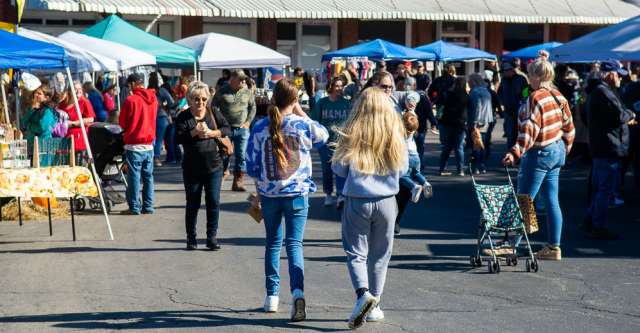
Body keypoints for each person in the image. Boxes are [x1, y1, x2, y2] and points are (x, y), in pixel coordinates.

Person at [246, 79, 329, 321]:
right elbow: (324, 136)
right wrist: (302, 112)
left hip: (270, 195)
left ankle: (271, 296)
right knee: (294, 245)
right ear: (294, 100)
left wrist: (259, 191)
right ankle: (298, 292)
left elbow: (251, 164)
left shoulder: (260, 127)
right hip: (297, 194)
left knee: (273, 243)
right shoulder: (303, 125)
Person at [331, 87, 408, 329]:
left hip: (358, 198)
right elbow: (404, 169)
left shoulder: (353, 131)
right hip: (387, 201)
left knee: (356, 252)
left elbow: (339, 169)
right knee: (380, 255)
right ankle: (374, 305)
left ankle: (363, 294)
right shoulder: (395, 132)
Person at [502, 58, 575, 261]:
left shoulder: (534, 98)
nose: (528, 79)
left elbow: (528, 130)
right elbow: (569, 127)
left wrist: (515, 152)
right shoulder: (559, 96)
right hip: (557, 150)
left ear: (536, 76)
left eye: (530, 75)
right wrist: (564, 149)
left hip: (540, 153)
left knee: (525, 200)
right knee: (552, 200)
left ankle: (510, 245)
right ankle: (553, 247)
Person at [584, 60, 637, 240]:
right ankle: (597, 225)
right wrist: (631, 114)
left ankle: (591, 220)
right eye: (618, 75)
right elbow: (620, 114)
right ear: (610, 74)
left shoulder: (597, 91)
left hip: (602, 145)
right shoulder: (604, 92)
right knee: (605, 189)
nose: (621, 79)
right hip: (608, 146)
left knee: (600, 187)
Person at [175, 81, 231, 250]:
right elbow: (177, 139)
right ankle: (191, 238)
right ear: (189, 99)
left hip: (214, 166)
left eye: (204, 99)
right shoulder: (183, 117)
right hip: (192, 168)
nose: (200, 102)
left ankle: (211, 238)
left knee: (213, 201)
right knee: (193, 203)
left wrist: (212, 132)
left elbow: (227, 129)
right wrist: (195, 132)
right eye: (196, 99)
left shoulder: (213, 112)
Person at [211, 69, 256, 191]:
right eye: (240, 79)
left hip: (242, 129)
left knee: (241, 155)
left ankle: (238, 181)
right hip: (226, 129)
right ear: (232, 79)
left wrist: (247, 122)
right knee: (224, 153)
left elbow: (253, 108)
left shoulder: (247, 92)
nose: (243, 81)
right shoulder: (223, 91)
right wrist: (218, 122)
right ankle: (222, 174)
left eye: (244, 79)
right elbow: (213, 106)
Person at [119, 73, 158, 215]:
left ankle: (134, 207)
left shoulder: (131, 100)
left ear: (132, 84)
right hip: (149, 143)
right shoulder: (154, 98)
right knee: (148, 176)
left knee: (134, 176)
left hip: (134, 143)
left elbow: (122, 123)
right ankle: (148, 206)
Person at [311, 77, 351, 207]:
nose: (340, 88)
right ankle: (328, 194)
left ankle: (340, 195)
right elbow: (315, 121)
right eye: (337, 86)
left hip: (342, 142)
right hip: (326, 143)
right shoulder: (322, 103)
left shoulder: (346, 103)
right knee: (327, 169)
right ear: (331, 87)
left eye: (341, 86)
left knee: (341, 169)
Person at [439, 77, 469, 176]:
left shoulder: (448, 94)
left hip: (447, 122)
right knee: (459, 147)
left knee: (446, 147)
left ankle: (442, 168)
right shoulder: (466, 96)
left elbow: (442, 105)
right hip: (460, 124)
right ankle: (460, 170)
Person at [400, 110, 432, 202]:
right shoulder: (414, 132)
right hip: (416, 156)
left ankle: (414, 187)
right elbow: (413, 119)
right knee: (417, 173)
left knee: (403, 176)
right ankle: (425, 183)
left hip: (406, 157)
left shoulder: (401, 134)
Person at [58, 81, 95, 158]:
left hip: (78, 138)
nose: (78, 91)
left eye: (80, 88)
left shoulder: (84, 102)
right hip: (64, 137)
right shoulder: (63, 103)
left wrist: (74, 123)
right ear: (69, 91)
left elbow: (91, 119)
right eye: (75, 89)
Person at [498, 61, 529, 149]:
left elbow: (526, 92)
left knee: (519, 134)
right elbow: (499, 92)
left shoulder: (521, 79)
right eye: (503, 71)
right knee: (510, 134)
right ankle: (511, 154)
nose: (503, 73)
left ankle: (519, 153)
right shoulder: (504, 80)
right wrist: (502, 102)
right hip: (508, 111)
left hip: (519, 111)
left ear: (511, 70)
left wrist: (524, 101)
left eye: (504, 71)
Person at [467, 73, 494, 174]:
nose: (468, 84)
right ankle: (482, 165)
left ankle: (476, 166)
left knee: (476, 144)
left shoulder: (475, 92)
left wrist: (474, 122)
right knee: (482, 144)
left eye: (469, 82)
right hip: (486, 120)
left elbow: (477, 108)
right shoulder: (486, 91)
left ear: (473, 82)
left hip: (477, 121)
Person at [148, 72, 176, 167]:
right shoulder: (161, 90)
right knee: (160, 139)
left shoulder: (147, 91)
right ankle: (156, 158)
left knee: (152, 138)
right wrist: (165, 106)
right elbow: (171, 102)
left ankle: (153, 157)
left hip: (150, 117)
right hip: (161, 116)